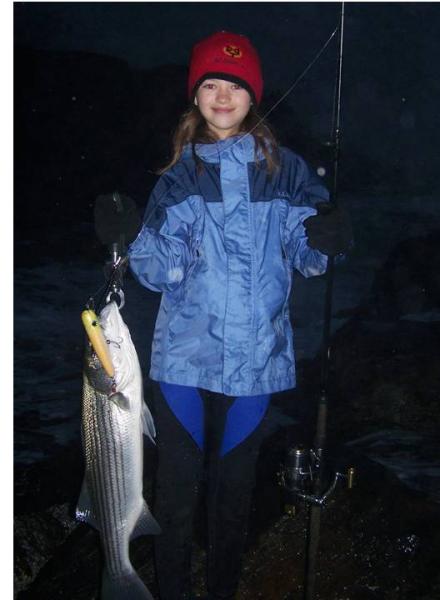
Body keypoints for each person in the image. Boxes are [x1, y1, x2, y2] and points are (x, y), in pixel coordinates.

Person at [128, 31, 352, 600]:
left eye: (235, 85)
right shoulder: (179, 177)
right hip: (183, 361)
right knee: (176, 501)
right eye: (210, 84)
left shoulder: (288, 171)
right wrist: (131, 237)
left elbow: (307, 256)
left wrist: (327, 239)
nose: (223, 96)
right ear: (195, 96)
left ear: (253, 96)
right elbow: (160, 270)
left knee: (233, 501)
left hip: (255, 365)